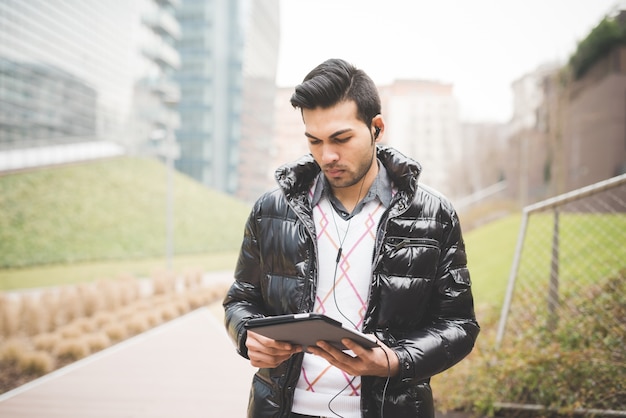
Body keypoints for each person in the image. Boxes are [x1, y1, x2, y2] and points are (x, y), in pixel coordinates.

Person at [223, 58, 479, 418]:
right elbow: (240, 299)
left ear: (377, 128)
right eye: (314, 140)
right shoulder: (271, 209)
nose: (327, 155)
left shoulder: (434, 214)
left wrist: (395, 360)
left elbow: (459, 324)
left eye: (341, 139)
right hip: (280, 409)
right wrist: (247, 335)